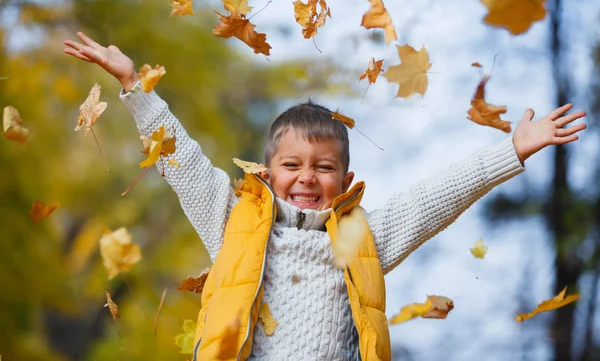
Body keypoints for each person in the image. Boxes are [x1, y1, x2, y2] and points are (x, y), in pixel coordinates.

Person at [64, 31, 587, 361]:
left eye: (324, 168)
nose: (308, 178)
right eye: (292, 166)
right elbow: (184, 163)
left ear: (346, 177)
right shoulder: (233, 221)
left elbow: (436, 197)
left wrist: (511, 151)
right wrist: (135, 85)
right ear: (268, 174)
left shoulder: (362, 236)